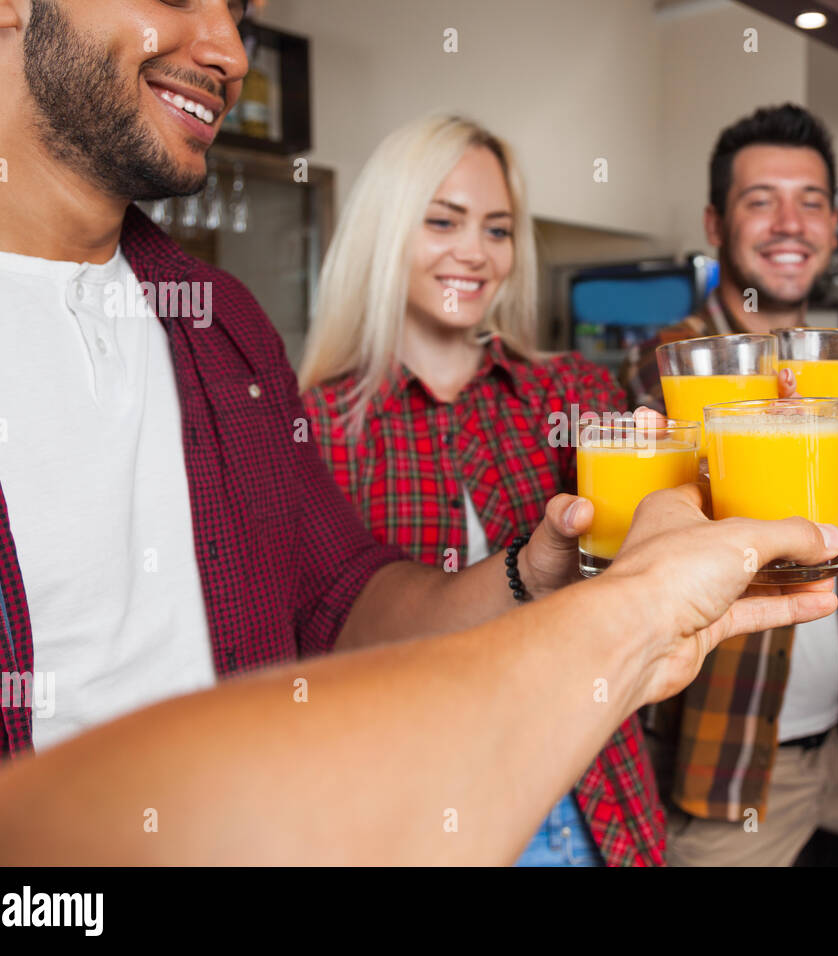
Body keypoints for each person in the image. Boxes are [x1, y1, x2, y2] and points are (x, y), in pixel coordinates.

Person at [0, 0, 590, 789]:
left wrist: (532, 573)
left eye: (238, 11)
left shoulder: (227, 328)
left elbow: (342, 596)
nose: (230, 51)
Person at [0, 486, 838, 865]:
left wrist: (581, 596)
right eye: (441, 220)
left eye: (498, 228)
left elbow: (343, 601)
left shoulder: (221, 330)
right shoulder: (317, 398)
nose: (232, 74)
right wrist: (636, 609)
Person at [297, 115, 660, 866]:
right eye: (442, 221)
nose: (475, 252)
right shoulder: (313, 427)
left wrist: (746, 421)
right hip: (405, 815)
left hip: (584, 802)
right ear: (383, 229)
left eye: (497, 230)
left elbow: (658, 530)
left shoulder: (572, 395)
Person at [620, 103, 838, 865]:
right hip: (730, 765)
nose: (791, 221)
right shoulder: (663, 366)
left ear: (832, 226)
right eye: (762, 201)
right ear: (716, 226)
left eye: (811, 201)